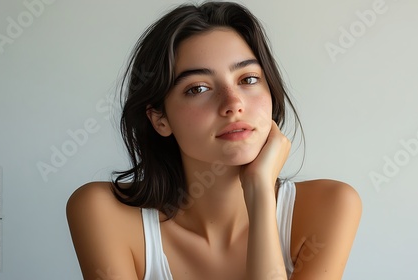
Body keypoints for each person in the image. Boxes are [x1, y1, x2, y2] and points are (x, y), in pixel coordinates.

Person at [66, 2, 362, 279]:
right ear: (160, 119)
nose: (233, 104)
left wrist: (259, 193)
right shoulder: (102, 212)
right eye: (198, 88)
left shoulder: (330, 207)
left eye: (247, 79)